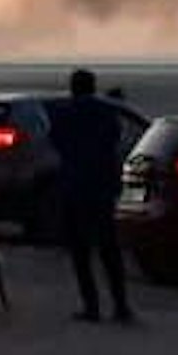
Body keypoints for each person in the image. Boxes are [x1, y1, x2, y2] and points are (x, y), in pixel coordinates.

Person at [50, 69, 135, 324]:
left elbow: (55, 141)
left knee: (81, 251)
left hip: (74, 186)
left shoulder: (63, 113)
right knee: (109, 248)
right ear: (93, 87)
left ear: (73, 88)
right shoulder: (106, 112)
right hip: (101, 186)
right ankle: (120, 306)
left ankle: (92, 307)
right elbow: (115, 139)